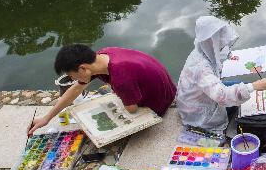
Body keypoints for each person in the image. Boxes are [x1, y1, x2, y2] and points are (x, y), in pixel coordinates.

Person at [176, 16, 266, 134]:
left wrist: (229, 56)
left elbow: (215, 54)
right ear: (211, 41)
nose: (222, 45)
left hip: (200, 97)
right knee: (250, 91)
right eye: (220, 42)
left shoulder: (201, 46)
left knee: (244, 86)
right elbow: (221, 96)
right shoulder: (201, 68)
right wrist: (253, 87)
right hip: (198, 114)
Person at [28, 44, 176, 135]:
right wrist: (47, 118)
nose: (73, 79)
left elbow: (132, 109)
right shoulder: (102, 56)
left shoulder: (120, 77)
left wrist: (120, 96)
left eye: (72, 76)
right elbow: (75, 89)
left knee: (103, 125)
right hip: (165, 87)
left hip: (159, 102)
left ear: (82, 68)